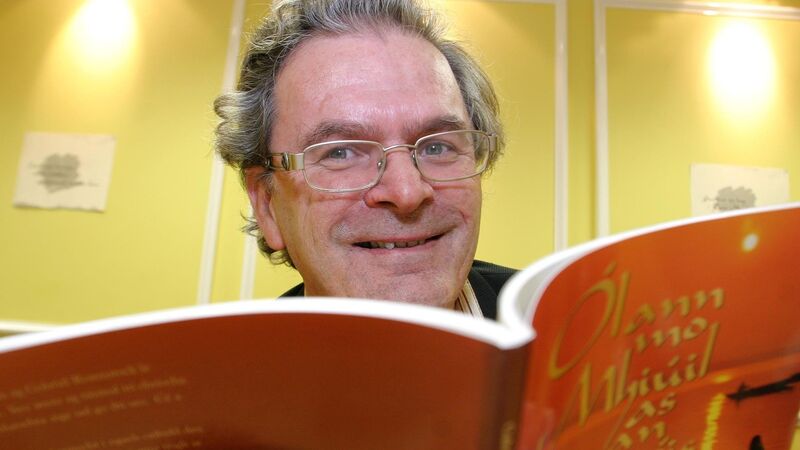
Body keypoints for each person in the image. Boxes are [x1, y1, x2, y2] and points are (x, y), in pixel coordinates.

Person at [214, 0, 515, 319]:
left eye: (437, 147)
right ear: (267, 205)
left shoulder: (551, 324)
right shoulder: (226, 354)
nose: (407, 193)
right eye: (340, 153)